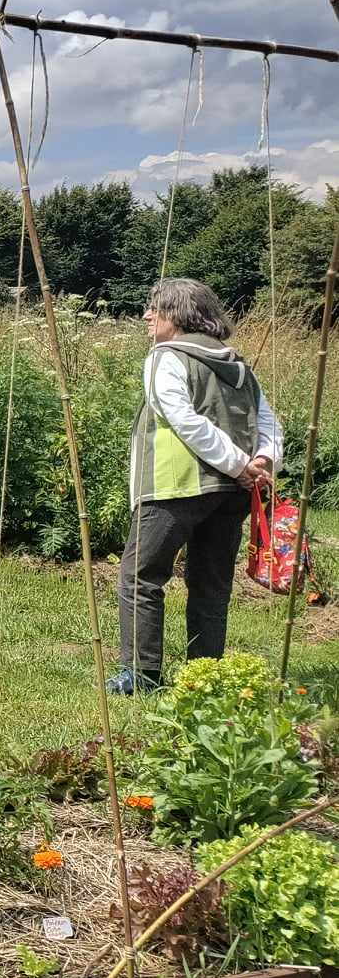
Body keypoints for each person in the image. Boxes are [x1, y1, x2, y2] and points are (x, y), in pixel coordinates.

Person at [110, 278, 283, 695]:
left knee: (141, 577)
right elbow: (269, 424)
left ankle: (143, 674)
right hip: (231, 494)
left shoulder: (165, 357)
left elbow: (183, 418)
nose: (148, 316)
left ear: (179, 316)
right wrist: (261, 460)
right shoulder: (238, 365)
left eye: (156, 309)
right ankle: (203, 675)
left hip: (175, 484)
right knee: (211, 583)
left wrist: (243, 464)